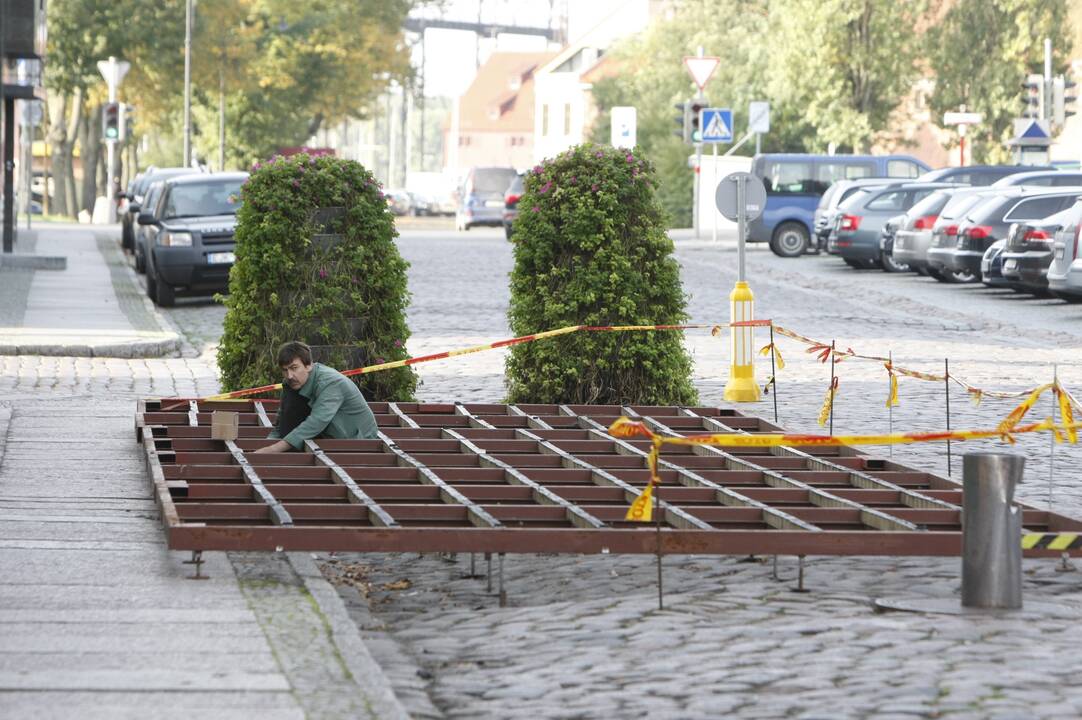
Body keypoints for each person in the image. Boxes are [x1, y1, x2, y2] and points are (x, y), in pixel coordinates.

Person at [254, 341, 379, 453]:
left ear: (308, 365)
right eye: (285, 370)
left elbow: (318, 420)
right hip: (328, 434)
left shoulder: (331, 382)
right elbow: (283, 421)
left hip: (357, 440)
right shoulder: (291, 383)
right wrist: (267, 444)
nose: (290, 375)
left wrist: (274, 449)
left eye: (294, 368)